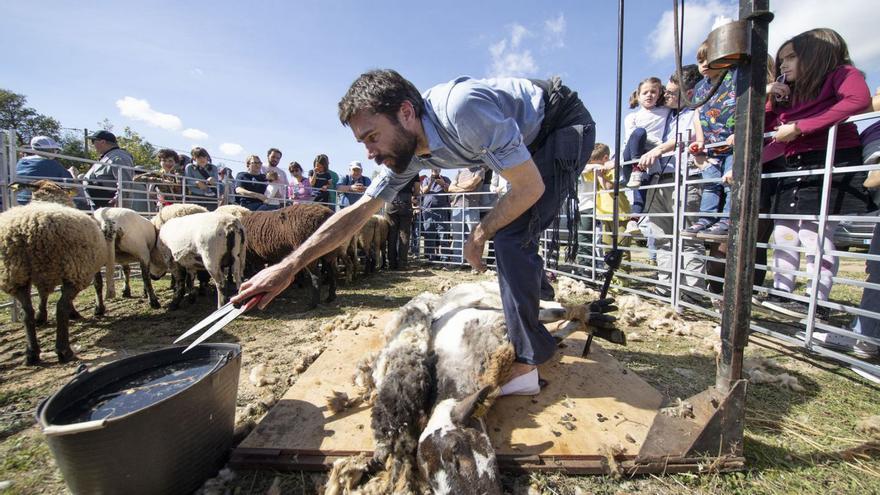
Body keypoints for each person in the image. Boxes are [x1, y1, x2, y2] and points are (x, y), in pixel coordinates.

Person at [233, 69, 595, 397]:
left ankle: (528, 362)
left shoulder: (462, 111)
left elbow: (529, 189)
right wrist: (290, 265)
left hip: (560, 123)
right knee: (516, 231)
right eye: (364, 143)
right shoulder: (410, 153)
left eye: (373, 137)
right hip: (528, 135)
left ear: (406, 112)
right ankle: (541, 306)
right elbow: (359, 212)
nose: (370, 153)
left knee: (510, 235)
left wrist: (479, 232)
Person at [758, 28, 875, 321]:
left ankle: (816, 297)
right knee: (784, 233)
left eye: (791, 57)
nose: (783, 65)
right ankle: (781, 290)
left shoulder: (842, 74)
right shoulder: (790, 94)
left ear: (815, 56)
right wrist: (772, 100)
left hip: (829, 161)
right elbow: (767, 129)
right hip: (793, 165)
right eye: (781, 59)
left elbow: (858, 101)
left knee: (815, 233)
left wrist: (801, 126)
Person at [638, 65, 707, 300]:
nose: (665, 95)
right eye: (666, 91)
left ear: (689, 93)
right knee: (662, 236)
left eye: (672, 92)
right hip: (660, 179)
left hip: (686, 178)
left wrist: (658, 150)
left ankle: (692, 293)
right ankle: (665, 286)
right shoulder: (665, 115)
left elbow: (686, 138)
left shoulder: (695, 113)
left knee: (687, 236)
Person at [683, 40, 738, 240]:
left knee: (730, 181)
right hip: (713, 145)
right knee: (710, 182)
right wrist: (700, 139)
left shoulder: (736, 76)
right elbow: (698, 113)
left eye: (709, 59)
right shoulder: (700, 87)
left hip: (732, 143)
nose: (704, 64)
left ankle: (727, 219)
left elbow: (749, 101)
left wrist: (740, 131)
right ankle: (706, 218)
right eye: (700, 61)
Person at [622, 76, 671, 235]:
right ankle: (637, 169)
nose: (649, 95)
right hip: (633, 155)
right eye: (645, 92)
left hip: (650, 159)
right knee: (639, 132)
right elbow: (632, 138)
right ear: (638, 95)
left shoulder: (665, 111)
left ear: (659, 94)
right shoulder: (632, 117)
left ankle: (633, 222)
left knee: (640, 191)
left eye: (653, 92)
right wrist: (657, 144)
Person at [583, 145, 632, 286]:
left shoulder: (614, 169)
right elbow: (584, 170)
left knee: (621, 250)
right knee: (607, 248)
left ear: (605, 158)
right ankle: (609, 278)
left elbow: (608, 187)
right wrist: (595, 168)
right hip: (604, 215)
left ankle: (622, 280)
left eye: (596, 162)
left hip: (620, 215)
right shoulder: (597, 169)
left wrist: (599, 173)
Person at [14, 136, 75, 205]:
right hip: (42, 202)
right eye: (54, 150)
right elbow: (70, 184)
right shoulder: (51, 163)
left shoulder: (21, 162)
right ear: (48, 150)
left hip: (19, 201)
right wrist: (72, 173)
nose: (55, 152)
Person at [84, 130, 135, 208]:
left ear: (103, 142)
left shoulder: (118, 157)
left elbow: (125, 183)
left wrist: (117, 202)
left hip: (108, 207)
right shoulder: (108, 156)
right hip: (98, 204)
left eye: (93, 141)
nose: (92, 145)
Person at [448, 166, 484, 264]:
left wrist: (457, 186)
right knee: (457, 237)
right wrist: (465, 188)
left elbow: (472, 184)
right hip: (457, 207)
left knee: (474, 237)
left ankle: (474, 264)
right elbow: (450, 188)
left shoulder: (480, 170)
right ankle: (457, 262)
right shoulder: (459, 171)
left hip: (472, 207)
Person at [386, 174, 420, 270]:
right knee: (404, 234)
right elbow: (417, 188)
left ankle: (391, 263)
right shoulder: (413, 168)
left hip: (391, 199)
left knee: (392, 234)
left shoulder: (391, 167)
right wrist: (414, 195)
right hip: (406, 200)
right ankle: (402, 264)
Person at [421, 167, 451, 261]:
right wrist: (431, 182)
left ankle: (445, 258)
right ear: (430, 170)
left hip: (442, 211)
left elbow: (449, 190)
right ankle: (430, 258)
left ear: (440, 170)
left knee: (443, 234)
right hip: (428, 211)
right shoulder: (426, 179)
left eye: (437, 169)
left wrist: (443, 184)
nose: (435, 170)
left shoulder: (446, 179)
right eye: (434, 169)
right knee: (429, 235)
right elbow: (423, 191)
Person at [184, 147, 220, 211]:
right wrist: (196, 183)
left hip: (211, 196)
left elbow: (217, 182)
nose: (202, 159)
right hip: (195, 196)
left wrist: (213, 180)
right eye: (199, 157)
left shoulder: (213, 167)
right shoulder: (190, 167)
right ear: (194, 158)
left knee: (211, 216)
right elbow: (188, 180)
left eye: (204, 157)